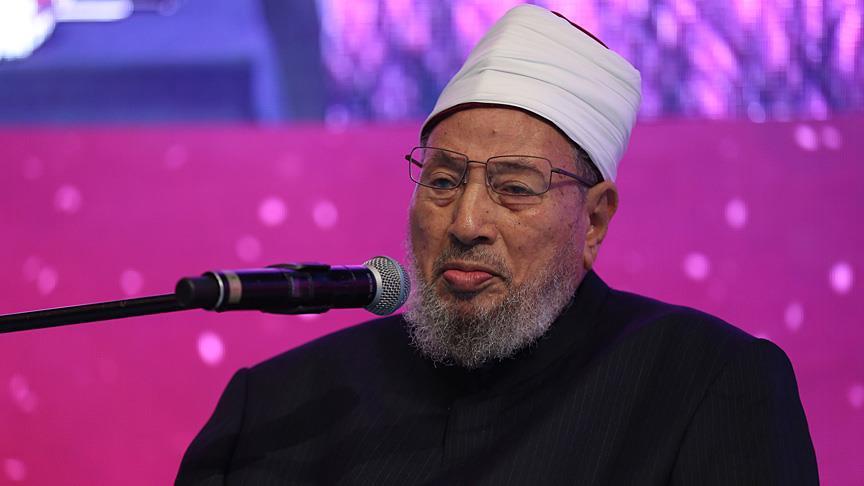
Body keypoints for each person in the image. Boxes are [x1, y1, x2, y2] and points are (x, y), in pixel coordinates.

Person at [176, 5, 818, 485]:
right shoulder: (277, 407)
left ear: (594, 220)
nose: (466, 222)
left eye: (514, 187)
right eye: (442, 181)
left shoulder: (705, 384)